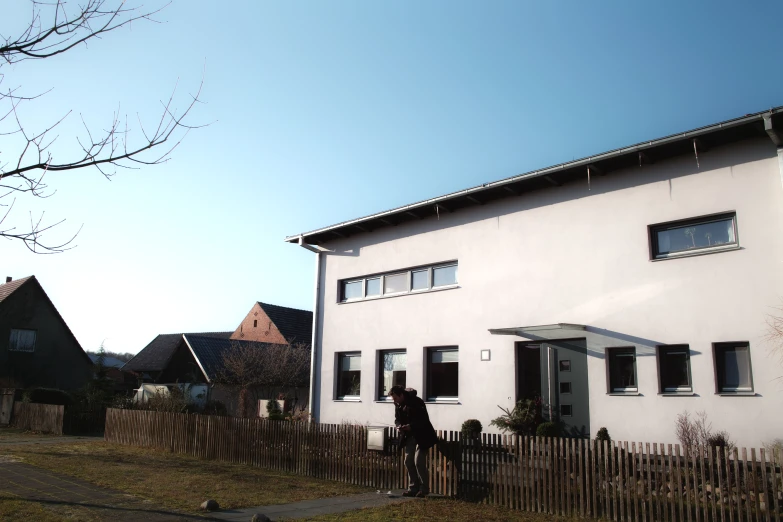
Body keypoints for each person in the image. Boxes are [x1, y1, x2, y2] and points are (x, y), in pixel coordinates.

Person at [389, 385, 437, 498]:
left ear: (401, 395)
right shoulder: (398, 404)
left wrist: (411, 426)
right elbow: (397, 419)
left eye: (395, 398)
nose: (394, 401)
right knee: (408, 460)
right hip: (410, 436)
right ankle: (413, 488)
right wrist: (399, 426)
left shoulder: (416, 402)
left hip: (423, 435)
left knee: (418, 461)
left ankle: (424, 489)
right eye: (393, 399)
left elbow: (424, 420)